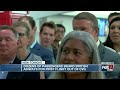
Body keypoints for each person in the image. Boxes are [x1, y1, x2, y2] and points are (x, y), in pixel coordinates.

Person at [72, 12, 120, 79]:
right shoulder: (69, 56)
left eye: (83, 29)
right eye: (75, 30)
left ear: (96, 31)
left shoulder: (114, 58)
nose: (78, 34)